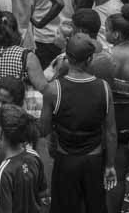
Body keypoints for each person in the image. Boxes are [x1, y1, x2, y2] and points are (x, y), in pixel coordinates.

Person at [39, 34, 116, 213]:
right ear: (89, 59)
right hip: (94, 160)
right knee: (95, 206)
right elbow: (111, 132)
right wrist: (110, 165)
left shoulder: (53, 90)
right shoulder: (104, 88)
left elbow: (43, 129)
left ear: (67, 56)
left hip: (65, 159)